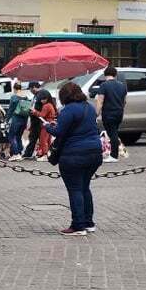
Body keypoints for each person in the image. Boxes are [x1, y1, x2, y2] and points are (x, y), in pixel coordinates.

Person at [44, 83, 102, 236]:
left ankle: (78, 225)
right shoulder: (89, 107)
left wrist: (48, 126)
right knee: (85, 187)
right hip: (95, 152)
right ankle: (89, 223)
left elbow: (59, 131)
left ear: (64, 97)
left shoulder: (68, 110)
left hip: (74, 154)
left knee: (75, 189)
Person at [90, 66, 127, 163]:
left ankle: (114, 155)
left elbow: (100, 101)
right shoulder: (122, 86)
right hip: (119, 112)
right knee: (114, 131)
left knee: (112, 133)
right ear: (115, 75)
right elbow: (125, 101)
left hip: (108, 112)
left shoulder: (104, 86)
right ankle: (113, 153)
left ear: (105, 75)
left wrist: (96, 113)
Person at [5, 82, 36, 161]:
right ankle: (20, 152)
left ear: (14, 88)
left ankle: (16, 154)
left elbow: (10, 110)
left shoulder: (14, 97)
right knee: (19, 136)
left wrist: (6, 120)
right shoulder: (25, 97)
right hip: (24, 119)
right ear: (21, 88)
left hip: (16, 119)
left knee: (11, 136)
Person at [22, 83, 47, 160]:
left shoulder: (41, 94)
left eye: (30, 89)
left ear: (33, 88)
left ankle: (41, 153)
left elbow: (39, 107)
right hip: (35, 119)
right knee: (33, 137)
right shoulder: (36, 95)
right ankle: (29, 153)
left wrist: (33, 111)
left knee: (39, 137)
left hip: (38, 119)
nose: (30, 91)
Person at [32, 91, 58, 161]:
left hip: (46, 124)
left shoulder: (46, 106)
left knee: (43, 140)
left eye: (42, 99)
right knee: (48, 140)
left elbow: (41, 115)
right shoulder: (51, 104)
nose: (41, 101)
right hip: (51, 123)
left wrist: (34, 112)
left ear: (46, 99)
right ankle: (47, 154)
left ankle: (45, 155)